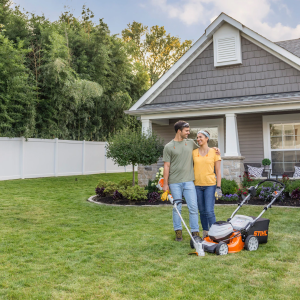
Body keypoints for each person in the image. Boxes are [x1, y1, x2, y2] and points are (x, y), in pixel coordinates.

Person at [163, 121, 220, 242]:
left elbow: (203, 147)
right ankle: (178, 232)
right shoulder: (168, 146)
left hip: (189, 181)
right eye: (186, 131)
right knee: (177, 208)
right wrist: (166, 184)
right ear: (179, 131)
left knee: (193, 207)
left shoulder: (190, 143)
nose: (189, 133)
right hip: (174, 182)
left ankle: (195, 232)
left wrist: (214, 148)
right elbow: (166, 166)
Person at [193, 130, 222, 238]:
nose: (198, 139)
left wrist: (218, 187)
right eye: (197, 137)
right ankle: (206, 233)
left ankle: (215, 233)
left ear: (207, 138)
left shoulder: (214, 152)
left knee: (209, 211)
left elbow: (218, 171)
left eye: (200, 137)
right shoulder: (194, 152)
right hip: (197, 186)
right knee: (202, 211)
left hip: (210, 185)